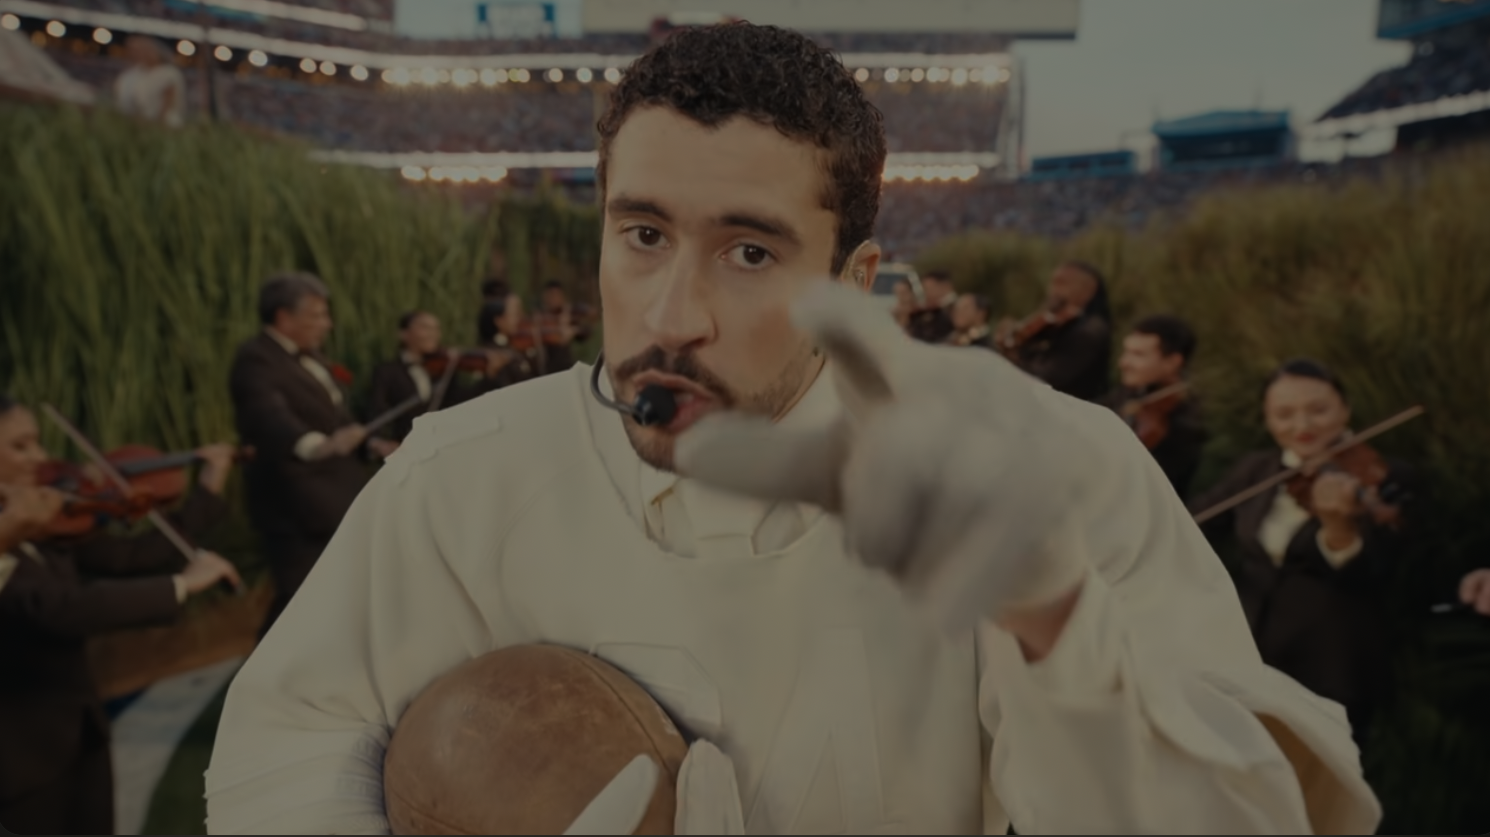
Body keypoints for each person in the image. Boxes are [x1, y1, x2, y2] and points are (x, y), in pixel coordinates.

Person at [205, 24, 1377, 835]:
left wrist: (1058, 631)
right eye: (642, 234)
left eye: (749, 251)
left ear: (853, 282)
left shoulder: (1053, 468)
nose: (673, 315)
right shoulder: (458, 474)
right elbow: (289, 744)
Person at [0, 394, 241, 836]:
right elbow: (58, 608)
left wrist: (208, 490)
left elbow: (132, 556)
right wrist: (181, 586)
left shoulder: (44, 524)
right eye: (20, 446)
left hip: (81, 732)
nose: (40, 457)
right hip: (24, 758)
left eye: (36, 442)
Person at [1189, 359, 1416, 751]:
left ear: (1344, 410)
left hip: (1331, 667)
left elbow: (1375, 571)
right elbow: (1193, 522)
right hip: (1247, 654)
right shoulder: (1257, 470)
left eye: (1318, 410)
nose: (1302, 425)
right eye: (1284, 414)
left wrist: (1339, 528)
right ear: (1267, 418)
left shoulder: (1385, 477)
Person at [228, 272, 369, 640]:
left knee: (334, 593)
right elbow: (268, 415)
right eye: (317, 315)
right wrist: (313, 444)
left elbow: (335, 418)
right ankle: (267, 665)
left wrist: (372, 444)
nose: (327, 324)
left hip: (334, 493)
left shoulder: (313, 358)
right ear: (284, 317)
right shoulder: (255, 359)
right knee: (297, 596)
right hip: (294, 503)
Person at [365, 310, 510, 449]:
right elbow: (378, 410)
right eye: (425, 328)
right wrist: (380, 444)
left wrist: (490, 376)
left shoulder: (444, 369)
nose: (433, 334)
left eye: (436, 329)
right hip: (404, 447)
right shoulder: (387, 371)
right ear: (404, 334)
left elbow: (460, 403)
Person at [1102, 314, 1207, 497]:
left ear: (1172, 362)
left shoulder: (1185, 425)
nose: (1123, 363)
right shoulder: (1132, 393)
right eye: (1126, 352)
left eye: (1138, 355)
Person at [999, 261, 1112, 402]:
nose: (1053, 291)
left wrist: (1011, 356)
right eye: (1052, 283)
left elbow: (1047, 378)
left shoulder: (1090, 332)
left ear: (1088, 290)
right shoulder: (1054, 324)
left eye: (1062, 283)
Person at [113, 35, 186, 128]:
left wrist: (157, 124)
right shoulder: (136, 73)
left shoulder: (169, 72)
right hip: (139, 122)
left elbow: (168, 101)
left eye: (149, 51)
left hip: (163, 124)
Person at [476, 293, 538, 386]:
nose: (516, 320)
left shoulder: (511, 345)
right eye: (510, 316)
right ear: (499, 321)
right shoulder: (494, 352)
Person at [905, 270, 955, 344]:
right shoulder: (928, 309)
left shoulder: (953, 310)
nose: (926, 293)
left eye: (929, 289)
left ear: (945, 286)